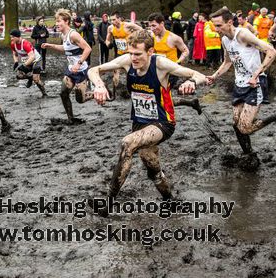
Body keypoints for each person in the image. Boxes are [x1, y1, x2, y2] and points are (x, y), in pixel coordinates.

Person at [88, 30, 207, 207]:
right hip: (139, 123)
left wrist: (192, 82)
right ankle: (170, 201)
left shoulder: (160, 64)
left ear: (150, 52)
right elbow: (93, 69)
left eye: (138, 54)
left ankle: (108, 203)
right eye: (131, 53)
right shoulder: (128, 62)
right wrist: (98, 85)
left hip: (162, 122)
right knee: (153, 170)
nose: (133, 58)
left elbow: (199, 75)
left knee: (127, 144)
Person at [207, 7, 276, 159]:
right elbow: (228, 62)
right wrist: (214, 76)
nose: (216, 29)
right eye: (214, 25)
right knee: (236, 124)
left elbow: (271, 52)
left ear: (229, 22)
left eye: (219, 25)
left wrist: (256, 74)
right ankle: (249, 154)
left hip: (255, 83)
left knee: (245, 127)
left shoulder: (243, 35)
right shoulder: (224, 40)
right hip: (239, 83)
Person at [41, 9, 101, 125]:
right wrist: (50, 45)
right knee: (63, 93)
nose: (57, 24)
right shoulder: (64, 35)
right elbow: (66, 48)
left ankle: (96, 93)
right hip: (70, 71)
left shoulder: (73, 34)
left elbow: (88, 48)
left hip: (80, 71)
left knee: (80, 99)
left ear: (67, 21)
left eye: (59, 21)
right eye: (56, 21)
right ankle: (71, 118)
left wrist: (78, 64)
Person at [147, 12, 202, 114]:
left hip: (171, 72)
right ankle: (191, 103)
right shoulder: (152, 36)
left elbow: (186, 51)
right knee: (160, 96)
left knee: (159, 95)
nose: (152, 29)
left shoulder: (174, 38)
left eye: (154, 25)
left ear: (162, 24)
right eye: (150, 26)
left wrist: (178, 62)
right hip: (158, 70)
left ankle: (163, 116)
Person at [104, 11, 143, 99]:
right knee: (116, 71)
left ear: (119, 18)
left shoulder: (128, 25)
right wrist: (108, 44)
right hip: (119, 53)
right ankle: (114, 94)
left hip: (130, 53)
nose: (112, 22)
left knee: (132, 73)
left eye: (114, 19)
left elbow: (142, 30)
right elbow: (107, 39)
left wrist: (135, 38)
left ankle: (136, 91)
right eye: (111, 20)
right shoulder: (110, 28)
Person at [10, 29, 47, 97]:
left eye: (13, 37)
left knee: (36, 80)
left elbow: (32, 57)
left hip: (36, 60)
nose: (11, 39)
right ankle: (30, 78)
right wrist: (16, 62)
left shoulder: (25, 44)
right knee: (19, 75)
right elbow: (15, 54)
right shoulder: (13, 44)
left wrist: (24, 65)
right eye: (11, 37)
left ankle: (44, 93)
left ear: (18, 37)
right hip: (27, 61)